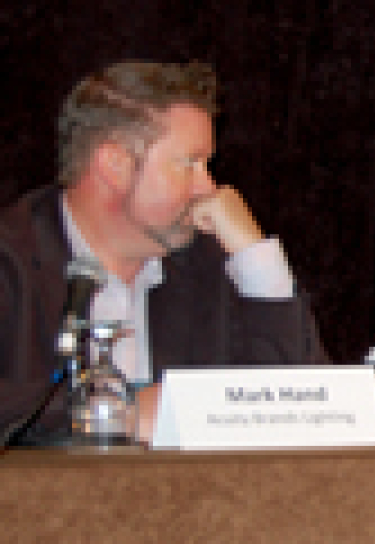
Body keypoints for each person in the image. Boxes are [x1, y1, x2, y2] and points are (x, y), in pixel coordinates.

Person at [0, 60, 328, 446]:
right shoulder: (12, 256)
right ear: (115, 165)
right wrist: (116, 414)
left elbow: (305, 405)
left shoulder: (209, 263)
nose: (208, 188)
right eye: (189, 164)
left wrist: (256, 260)